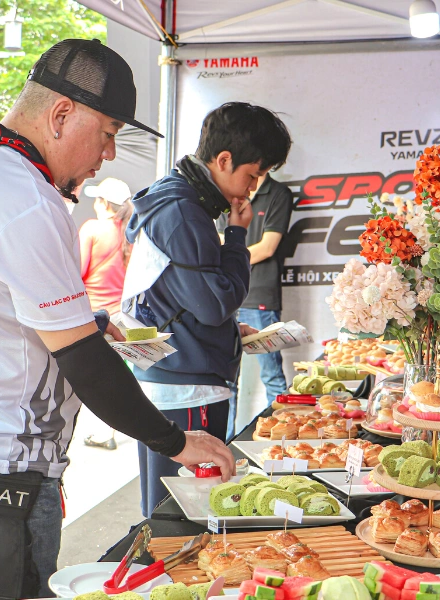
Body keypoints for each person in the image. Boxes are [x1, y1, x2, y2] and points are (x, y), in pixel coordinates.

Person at [0, 39, 234, 599]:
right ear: (60, 115)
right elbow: (84, 365)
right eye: (106, 134)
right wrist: (174, 442)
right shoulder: (22, 197)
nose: (108, 155)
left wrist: (90, 323)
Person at [125, 101, 292, 517]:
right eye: (251, 175)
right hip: (188, 386)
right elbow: (217, 304)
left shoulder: (178, 201)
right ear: (223, 160)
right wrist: (237, 235)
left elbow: (190, 298)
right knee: (185, 514)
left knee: (168, 509)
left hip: (175, 376)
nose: (252, 188)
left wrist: (228, 330)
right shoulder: (184, 211)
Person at [218, 172, 294, 435]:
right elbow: (214, 240)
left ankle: (282, 444)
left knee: (272, 375)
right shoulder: (229, 192)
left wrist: (230, 258)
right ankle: (223, 446)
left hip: (259, 296)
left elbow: (267, 247)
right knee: (226, 381)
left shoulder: (278, 193)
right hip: (225, 297)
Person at [78, 177, 134, 450]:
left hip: (94, 318)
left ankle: (101, 432)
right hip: (122, 317)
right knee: (116, 375)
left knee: (93, 377)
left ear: (103, 203)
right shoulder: (130, 234)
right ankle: (111, 428)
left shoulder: (92, 229)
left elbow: (76, 274)